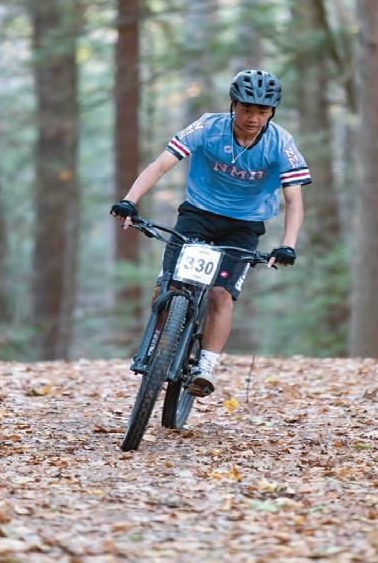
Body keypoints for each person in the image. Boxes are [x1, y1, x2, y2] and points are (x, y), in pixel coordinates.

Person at [110, 69, 312, 397]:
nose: (253, 118)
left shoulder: (281, 143)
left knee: (220, 294)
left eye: (262, 111)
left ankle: (204, 367)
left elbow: (294, 200)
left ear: (272, 112)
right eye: (246, 109)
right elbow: (161, 165)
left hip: (244, 225)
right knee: (169, 284)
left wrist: (287, 245)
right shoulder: (208, 127)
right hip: (198, 215)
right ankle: (158, 345)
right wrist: (130, 200)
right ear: (233, 105)